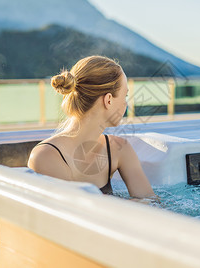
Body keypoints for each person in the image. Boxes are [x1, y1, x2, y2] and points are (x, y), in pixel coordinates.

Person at [28, 55, 156, 199]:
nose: (126, 104)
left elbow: (154, 205)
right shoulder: (46, 157)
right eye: (125, 96)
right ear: (108, 100)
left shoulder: (119, 148)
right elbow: (72, 215)